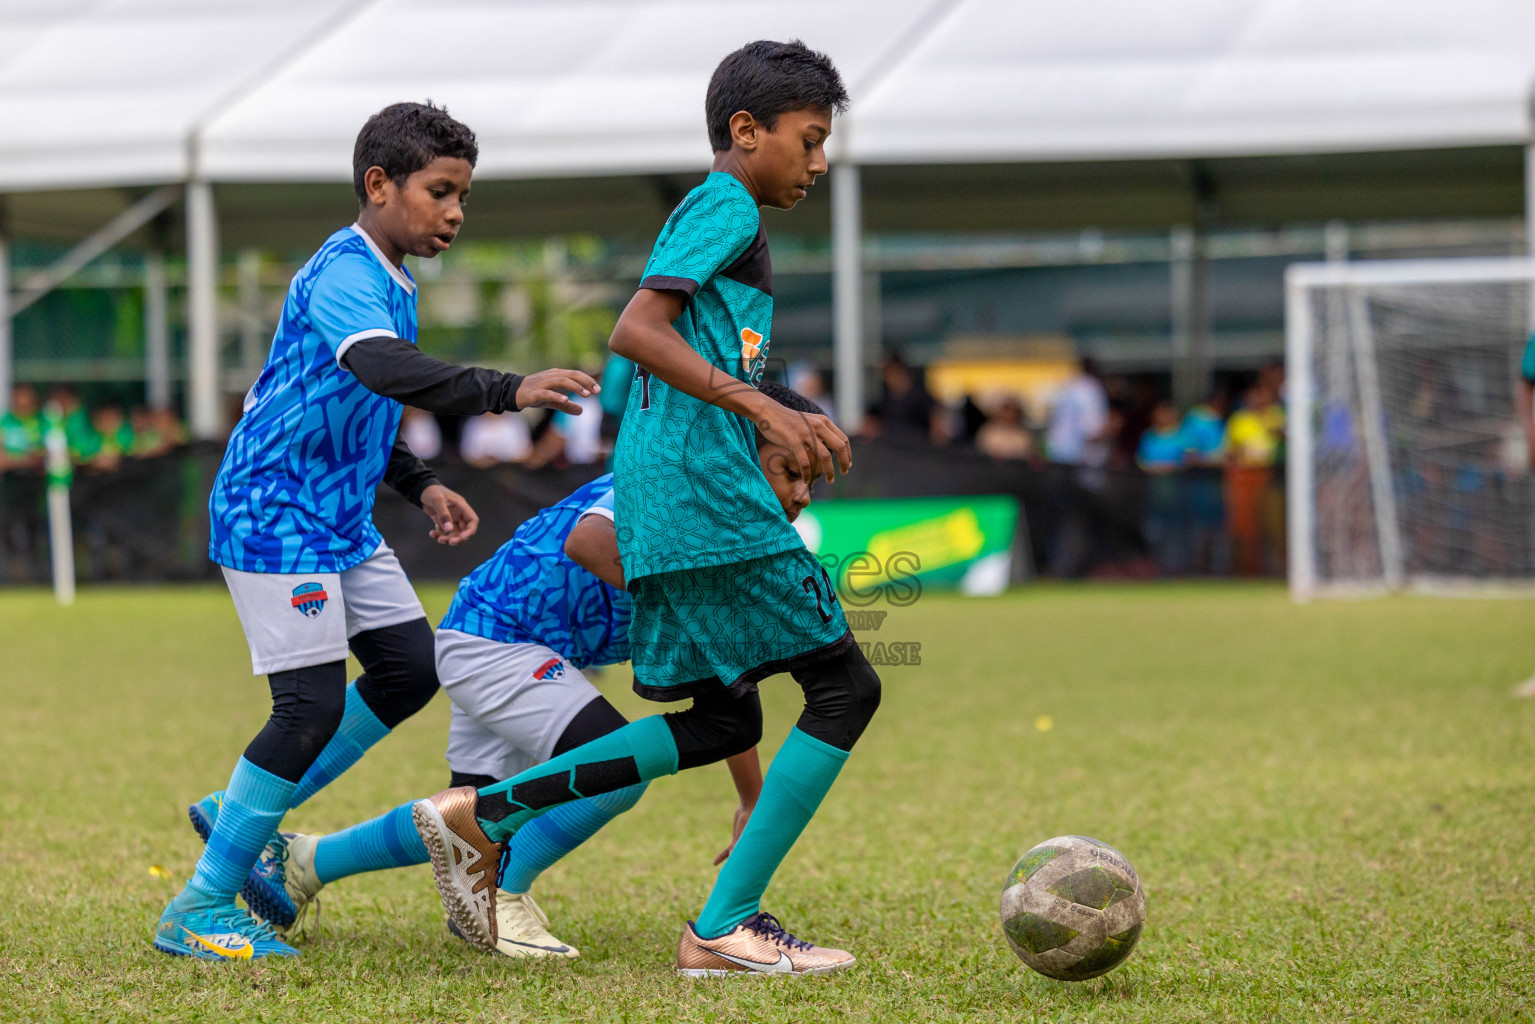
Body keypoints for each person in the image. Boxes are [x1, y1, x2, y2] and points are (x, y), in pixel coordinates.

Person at [412, 41, 876, 978]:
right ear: (746, 132)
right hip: (704, 493)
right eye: (810, 139)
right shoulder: (727, 202)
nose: (819, 163)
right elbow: (635, 330)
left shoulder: (723, 210)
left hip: (669, 494)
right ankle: (725, 926)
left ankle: (484, 813)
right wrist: (762, 405)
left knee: (722, 722)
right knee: (845, 687)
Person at [155, 101, 600, 961]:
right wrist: (507, 389)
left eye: (463, 195)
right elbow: (382, 367)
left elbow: (364, 398)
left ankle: (240, 820)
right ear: (378, 184)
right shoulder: (346, 271)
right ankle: (202, 904)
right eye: (440, 192)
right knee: (309, 705)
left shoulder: (392, 280)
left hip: (338, 519)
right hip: (274, 511)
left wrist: (422, 482)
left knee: (407, 668)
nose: (456, 213)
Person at [237, 384, 821, 959]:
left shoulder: (733, 538)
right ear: (737, 452)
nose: (802, 494)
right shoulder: (672, 480)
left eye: (811, 480)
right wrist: (693, 602)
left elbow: (722, 680)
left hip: (520, 646)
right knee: (613, 770)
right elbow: (587, 541)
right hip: (497, 639)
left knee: (474, 812)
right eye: (788, 470)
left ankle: (307, 862)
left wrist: (749, 797)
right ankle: (500, 893)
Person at [1136, 400, 1188, 575]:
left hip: (1178, 496)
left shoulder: (1183, 437)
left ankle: (1177, 571)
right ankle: (1156, 571)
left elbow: (1189, 462)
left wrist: (1169, 468)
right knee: (1155, 534)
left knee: (1177, 535)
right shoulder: (1148, 437)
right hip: (1154, 496)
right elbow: (1141, 462)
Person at [1045, 357, 1110, 468]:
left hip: (1057, 450)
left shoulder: (1068, 384)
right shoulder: (1090, 388)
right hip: (1079, 456)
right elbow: (1092, 429)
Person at [0, 384, 44, 471]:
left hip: (36, 476)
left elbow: (43, 455)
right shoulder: (6, 421)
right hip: (10, 476)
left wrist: (14, 461)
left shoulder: (42, 421)